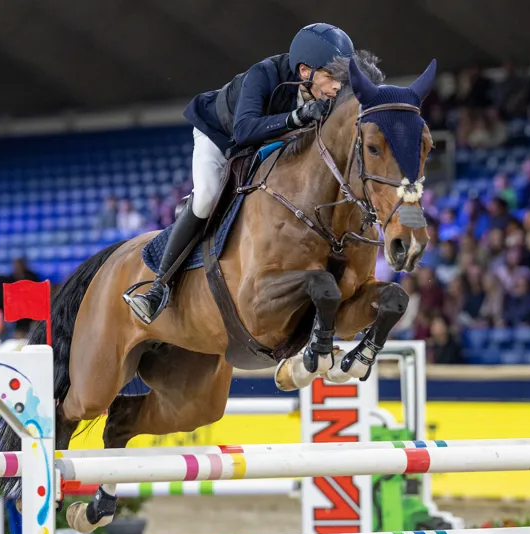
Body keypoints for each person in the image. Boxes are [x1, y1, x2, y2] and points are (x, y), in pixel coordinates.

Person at [124, 23, 356, 324]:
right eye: (331, 77)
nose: (338, 86)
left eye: (342, 78)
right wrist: (297, 117)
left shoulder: (326, 93)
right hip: (220, 136)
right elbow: (244, 131)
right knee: (206, 198)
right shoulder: (264, 75)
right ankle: (158, 288)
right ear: (304, 71)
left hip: (268, 145)